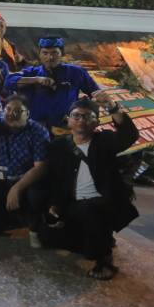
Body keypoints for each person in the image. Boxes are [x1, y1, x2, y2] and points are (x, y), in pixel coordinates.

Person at [44, 96, 140, 280]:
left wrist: (112, 107)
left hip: (103, 201)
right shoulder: (59, 146)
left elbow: (129, 135)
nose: (81, 120)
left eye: (87, 116)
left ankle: (105, 261)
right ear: (68, 120)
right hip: (73, 202)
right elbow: (55, 178)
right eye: (76, 116)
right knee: (50, 237)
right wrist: (54, 204)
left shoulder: (105, 140)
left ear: (96, 122)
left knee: (90, 213)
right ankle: (94, 241)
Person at [0, 88, 50, 246]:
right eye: (8, 109)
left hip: (24, 182)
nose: (11, 114)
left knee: (36, 193)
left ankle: (34, 226)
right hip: (0, 180)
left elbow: (40, 167)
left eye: (18, 111)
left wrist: (17, 188)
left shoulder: (38, 131)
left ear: (28, 114)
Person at [5, 36, 101, 130]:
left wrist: (87, 113)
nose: (50, 57)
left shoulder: (76, 72)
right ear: (40, 54)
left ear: (62, 53)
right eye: (45, 53)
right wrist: (36, 80)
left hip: (66, 127)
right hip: (35, 128)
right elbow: (8, 81)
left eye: (54, 53)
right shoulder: (32, 72)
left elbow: (95, 93)